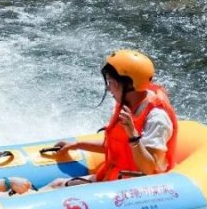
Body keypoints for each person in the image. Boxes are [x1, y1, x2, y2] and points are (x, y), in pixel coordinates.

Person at [49, 50, 178, 184]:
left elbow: (149, 169)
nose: (109, 88)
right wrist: (76, 145)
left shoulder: (157, 118)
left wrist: (133, 136)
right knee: (56, 184)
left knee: (56, 186)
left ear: (128, 85)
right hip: (117, 178)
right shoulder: (127, 106)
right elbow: (118, 147)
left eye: (111, 82)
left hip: (139, 189)